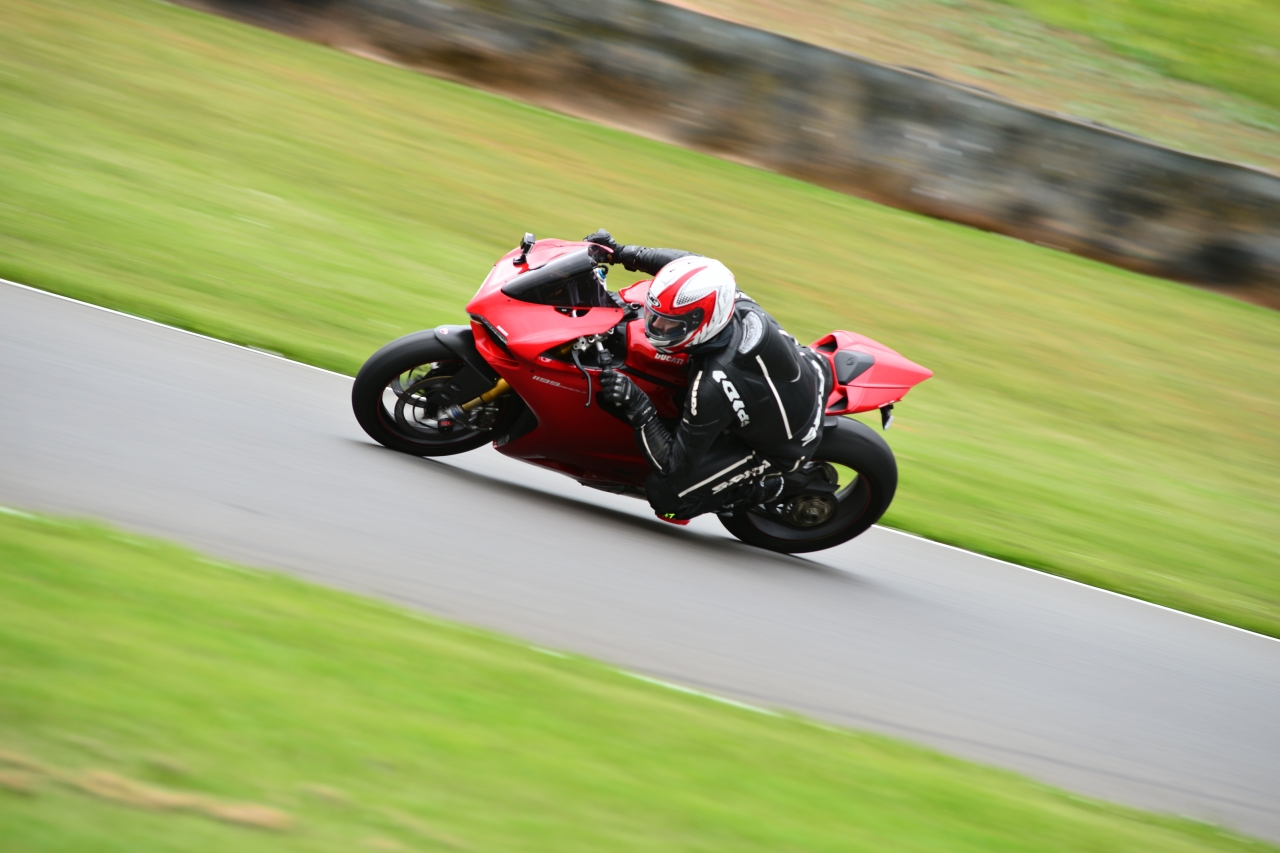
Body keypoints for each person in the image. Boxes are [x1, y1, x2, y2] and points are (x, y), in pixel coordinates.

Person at [583, 230, 832, 524]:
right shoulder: (727, 296)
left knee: (667, 499)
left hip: (786, 444)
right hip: (808, 370)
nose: (657, 328)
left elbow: (673, 466)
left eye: (670, 325)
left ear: (704, 321)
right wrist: (619, 252)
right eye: (656, 317)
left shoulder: (714, 384)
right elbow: (686, 264)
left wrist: (639, 407)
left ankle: (771, 486)